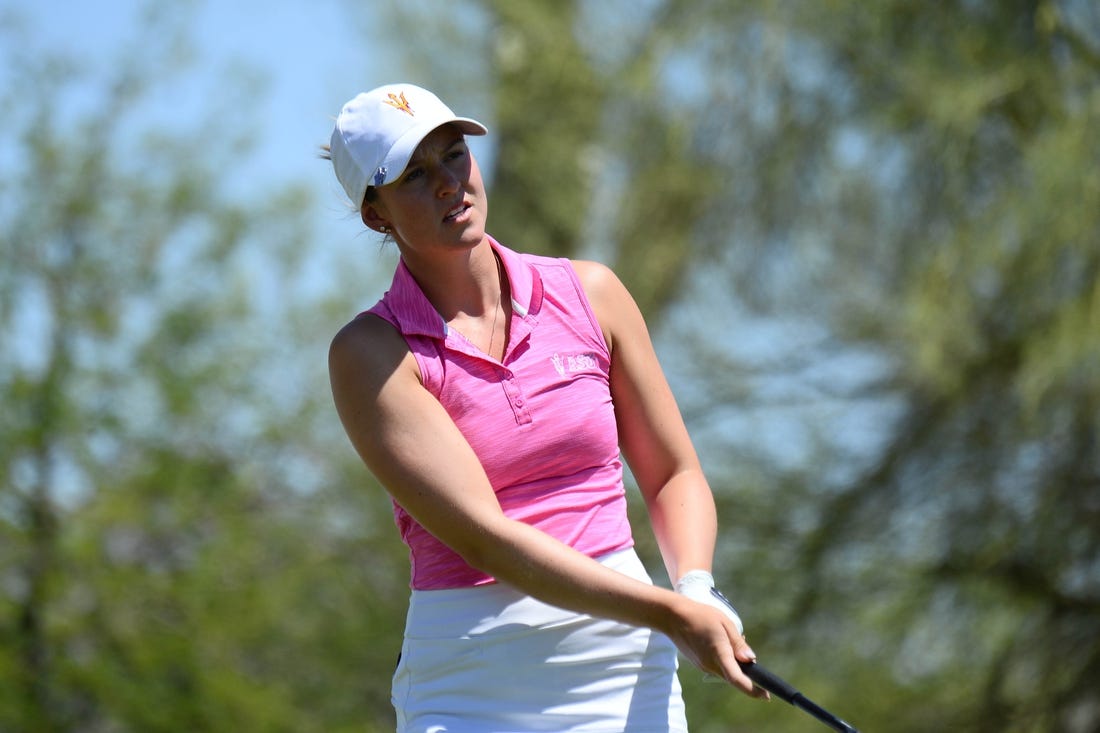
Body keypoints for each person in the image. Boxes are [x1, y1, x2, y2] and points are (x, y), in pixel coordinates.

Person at [324, 83, 768, 732]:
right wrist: (668, 614)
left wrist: (695, 588)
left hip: (624, 673)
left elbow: (673, 472)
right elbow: (486, 539)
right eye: (414, 175)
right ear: (376, 215)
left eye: (454, 155)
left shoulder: (591, 293)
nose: (448, 183)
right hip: (472, 685)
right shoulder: (371, 352)